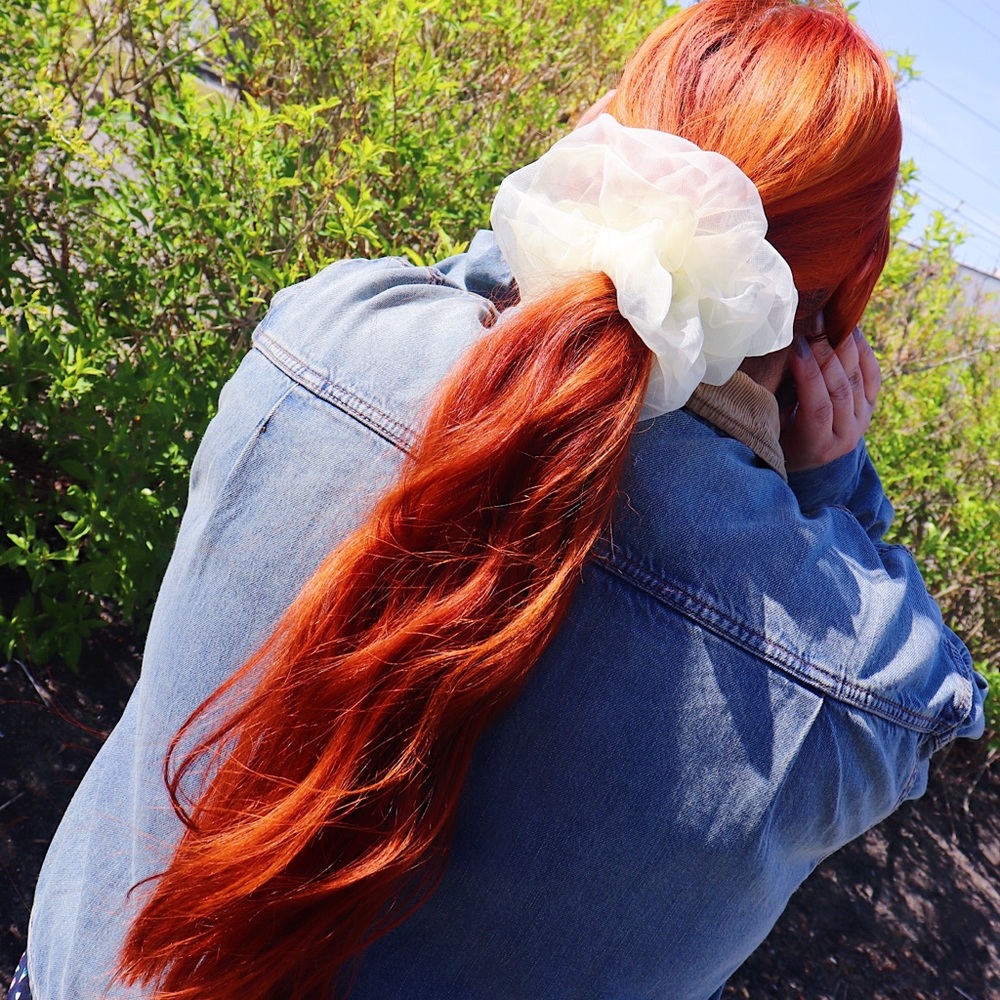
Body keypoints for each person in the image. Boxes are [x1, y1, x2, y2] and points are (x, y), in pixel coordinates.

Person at [17, 1, 987, 999]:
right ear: (832, 303)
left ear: (603, 147)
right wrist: (829, 484)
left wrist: (570, 244)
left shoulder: (324, 336)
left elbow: (489, 296)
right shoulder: (855, 677)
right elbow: (933, 687)